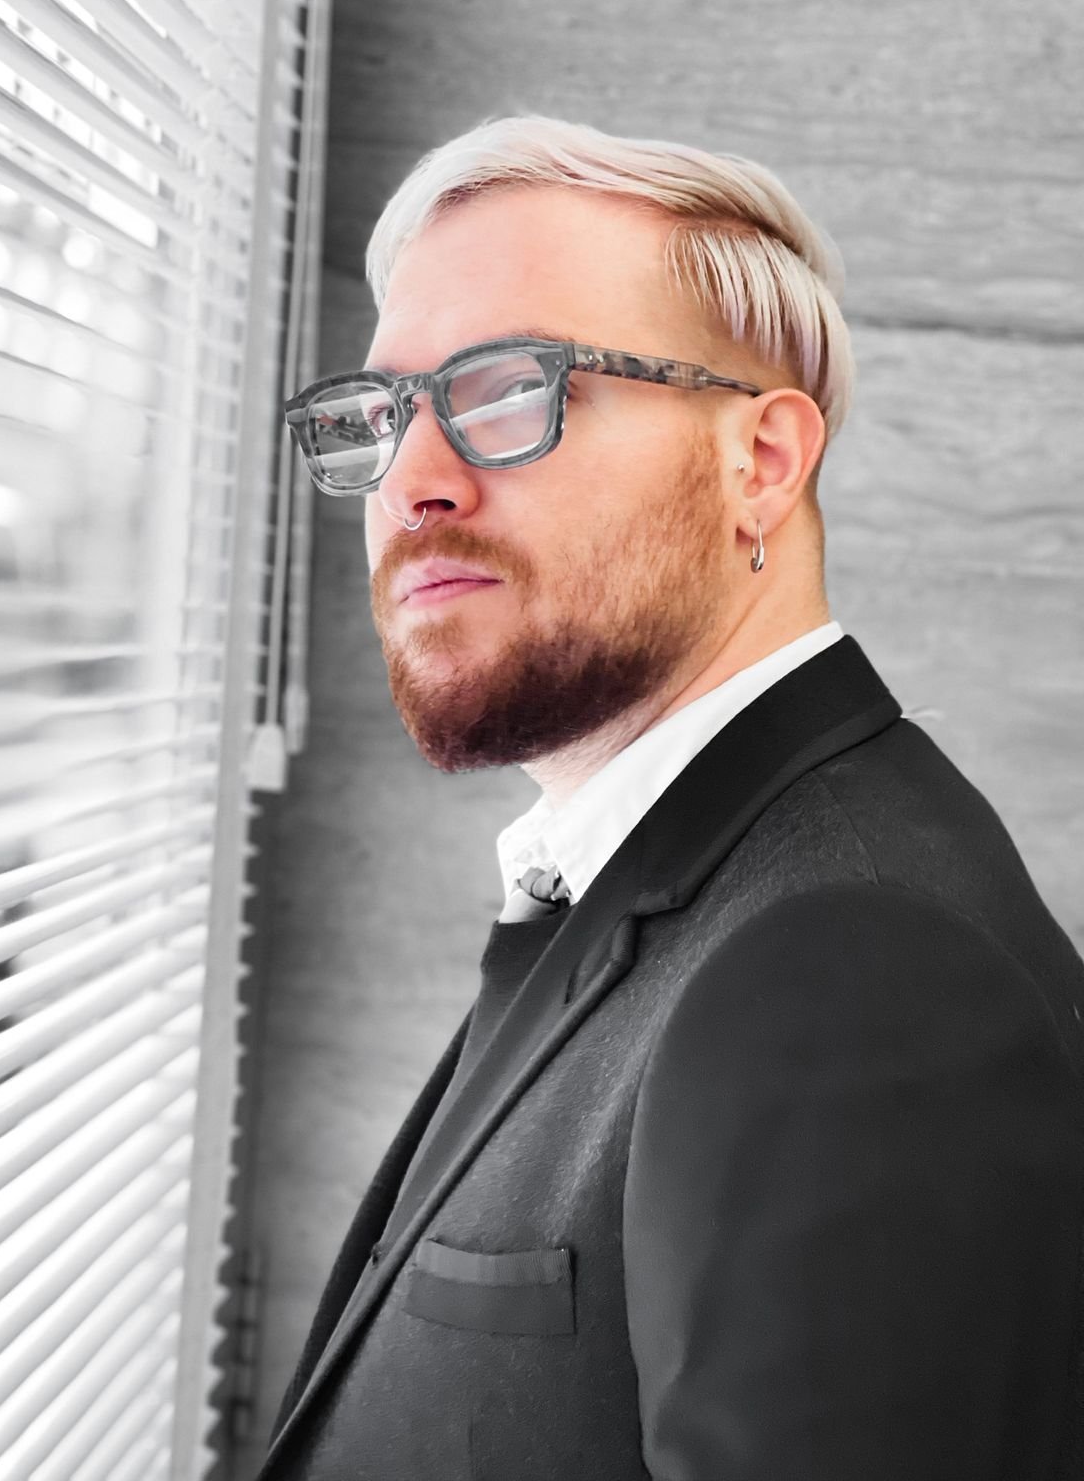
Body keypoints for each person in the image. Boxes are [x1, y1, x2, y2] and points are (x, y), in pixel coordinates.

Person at [259, 115, 1084, 1480]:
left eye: (508, 388)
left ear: (759, 459)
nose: (413, 482)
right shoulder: (681, 884)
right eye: (386, 412)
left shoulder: (850, 975)